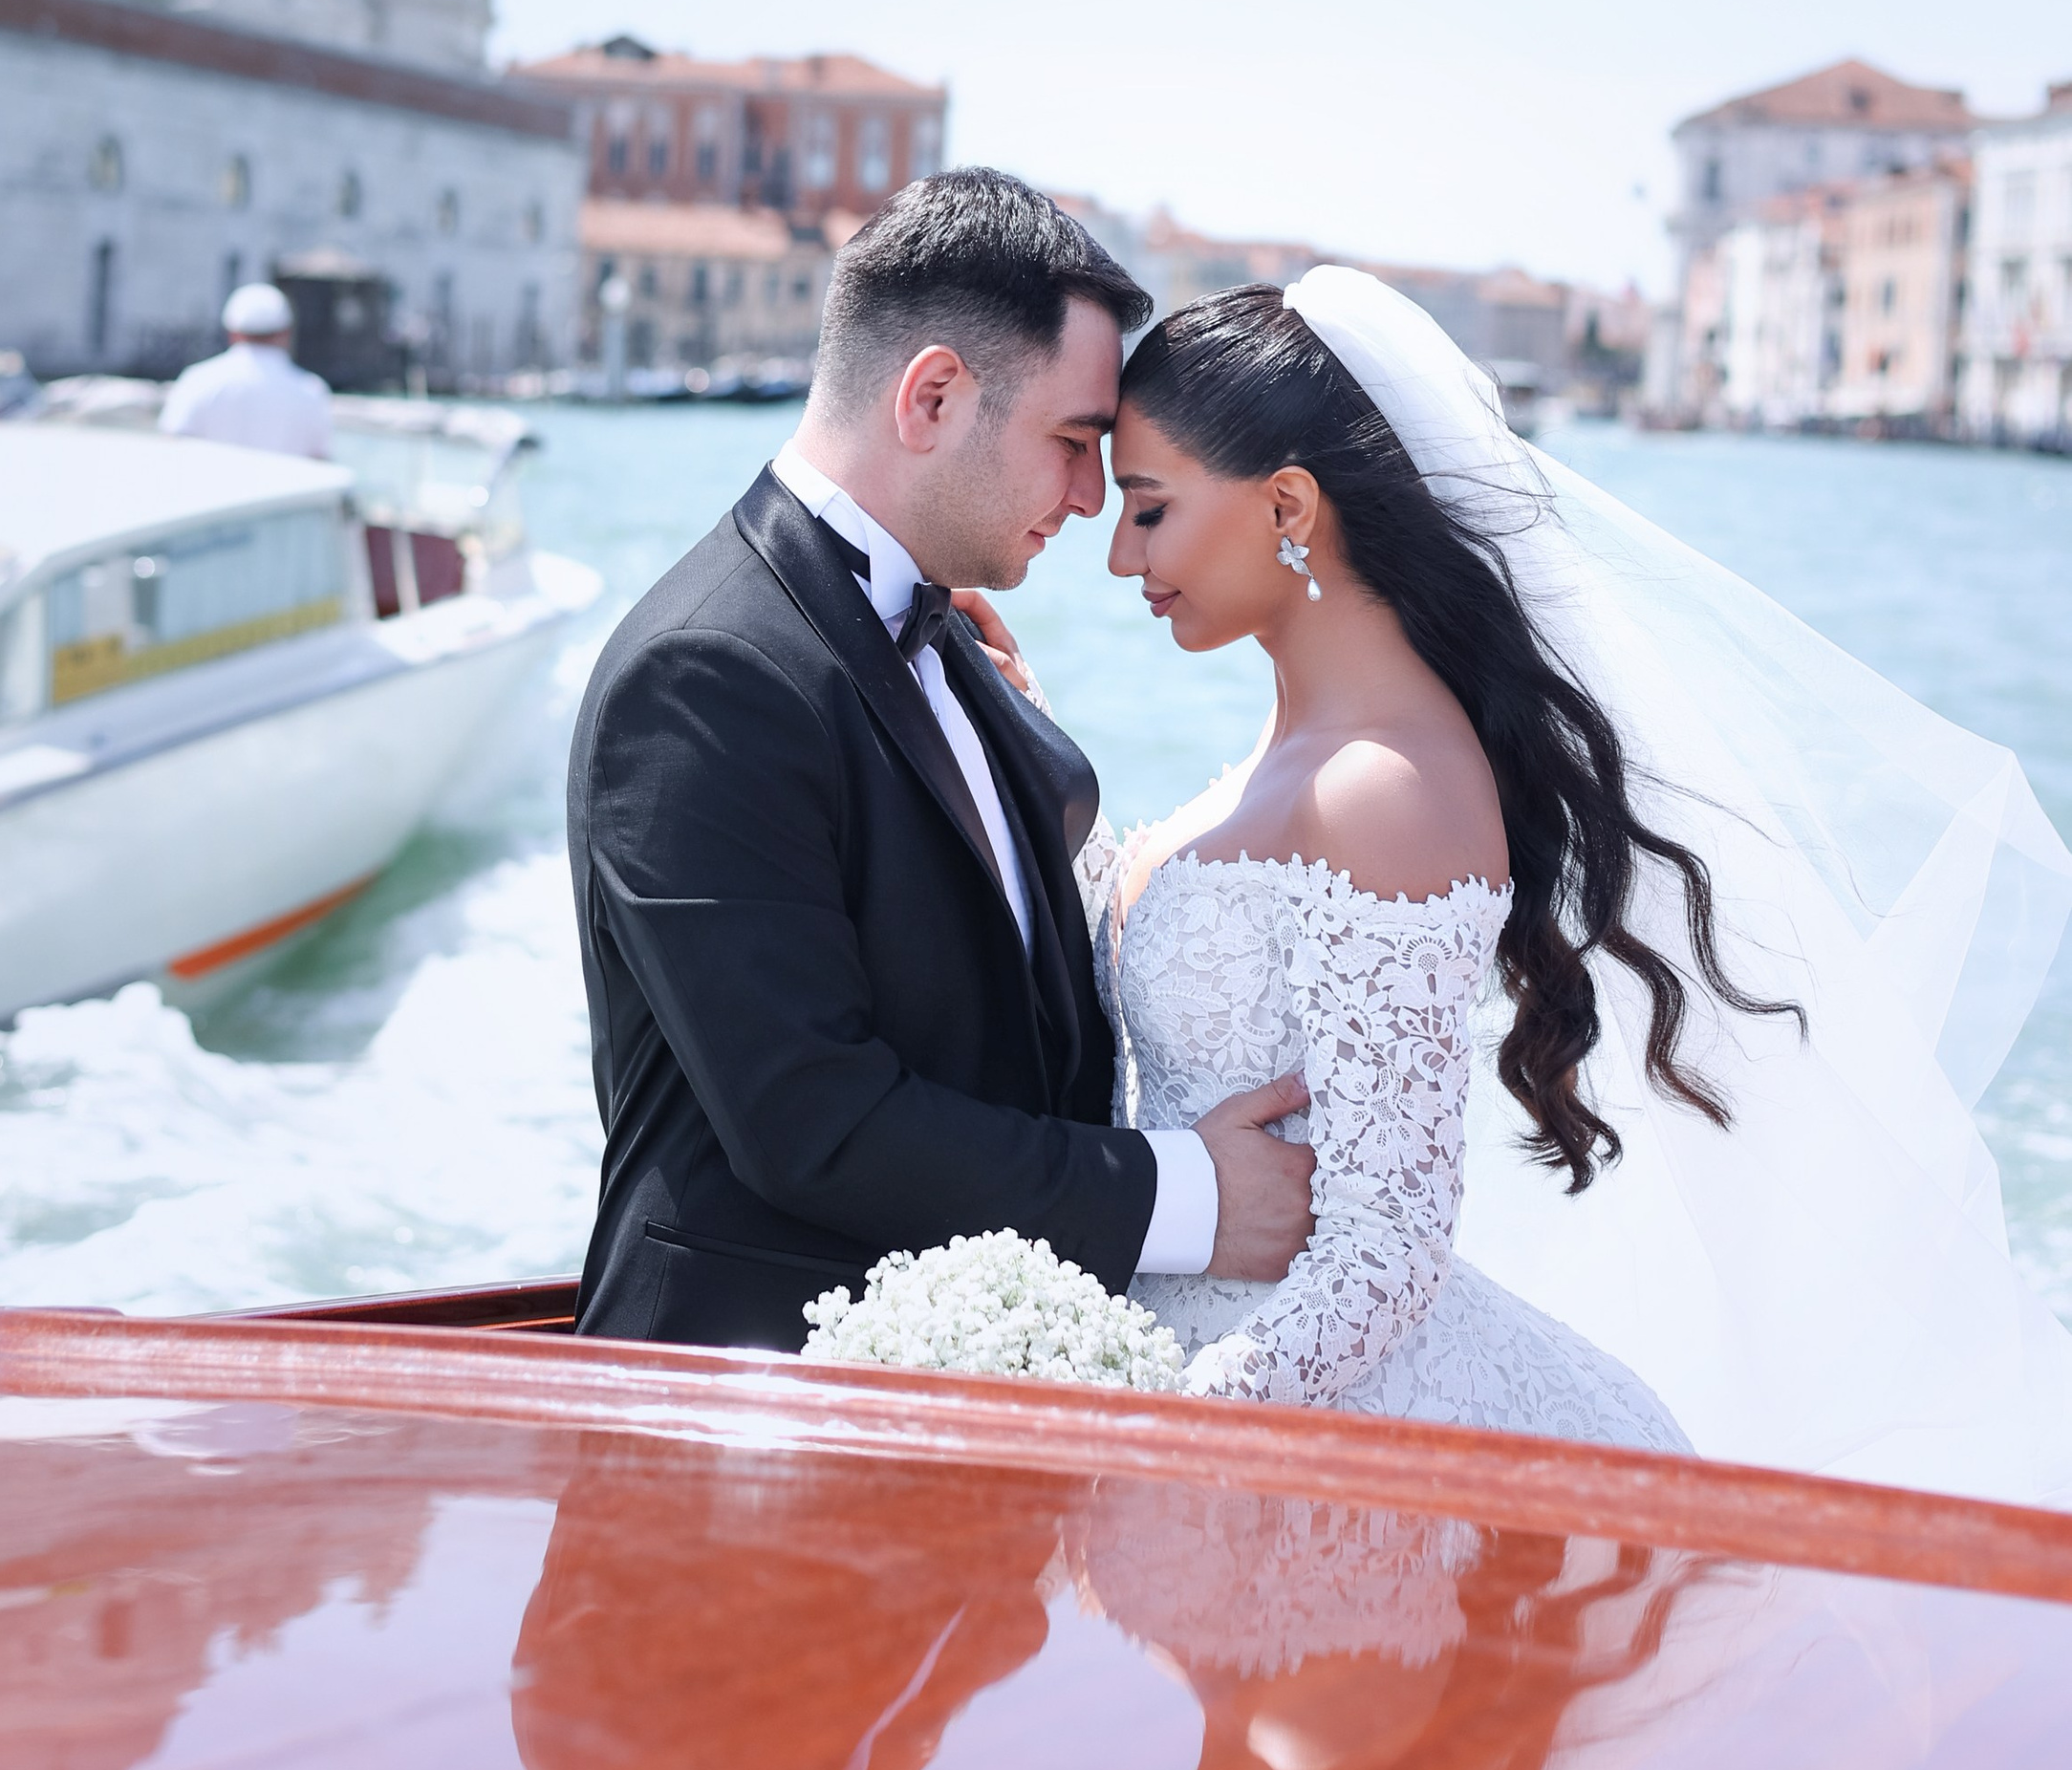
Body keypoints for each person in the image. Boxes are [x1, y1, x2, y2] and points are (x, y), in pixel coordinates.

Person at [1069, 269, 2072, 1500]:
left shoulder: (1380, 787)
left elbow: (1382, 1255)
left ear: (1286, 503)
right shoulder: (1311, 757)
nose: (1119, 553)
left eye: (1148, 508)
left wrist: (1146, 1436)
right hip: (1227, 1385)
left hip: (1323, 1434)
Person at [567, 170, 1320, 1351]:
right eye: (1072, 440)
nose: (1088, 498)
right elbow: (812, 1119)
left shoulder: (947, 635)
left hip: (977, 1395)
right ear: (930, 396)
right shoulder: (705, 674)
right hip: (744, 1416)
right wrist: (1190, 1198)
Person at [157, 282, 334, 460]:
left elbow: (171, 449)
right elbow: (321, 461)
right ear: (286, 333)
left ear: (232, 332)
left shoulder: (196, 380)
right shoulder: (311, 390)